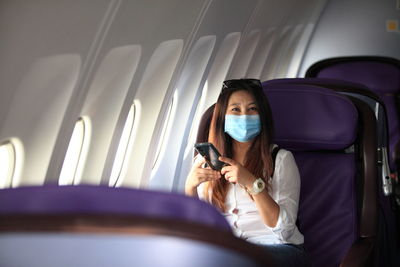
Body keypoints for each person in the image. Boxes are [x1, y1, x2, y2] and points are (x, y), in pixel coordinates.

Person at [185, 79, 309, 266]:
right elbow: (198, 228)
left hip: (279, 248)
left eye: (252, 109)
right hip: (228, 249)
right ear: (222, 118)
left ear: (262, 116)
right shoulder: (204, 162)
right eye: (235, 109)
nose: (244, 116)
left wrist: (252, 184)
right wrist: (190, 187)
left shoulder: (281, 159)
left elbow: (285, 230)